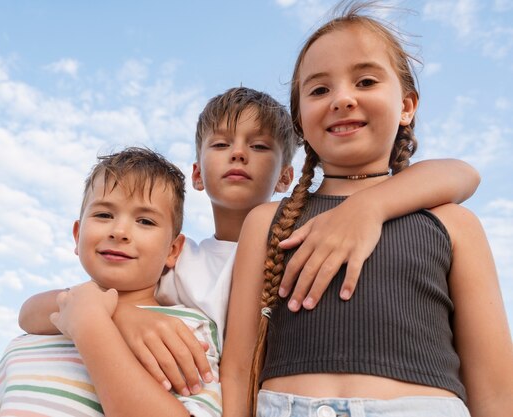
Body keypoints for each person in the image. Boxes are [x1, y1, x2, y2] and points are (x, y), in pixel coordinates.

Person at [17, 86, 480, 398]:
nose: (238, 153)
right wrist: (122, 313)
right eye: (220, 145)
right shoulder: (179, 261)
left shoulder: (312, 239)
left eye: (258, 146)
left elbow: (459, 174)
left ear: (284, 175)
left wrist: (372, 205)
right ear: (197, 174)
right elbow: (38, 311)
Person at [220, 3, 513, 417]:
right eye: (319, 90)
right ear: (300, 122)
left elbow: (497, 393)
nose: (342, 98)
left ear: (408, 105)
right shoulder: (265, 222)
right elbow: (237, 371)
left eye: (366, 80)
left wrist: (370, 207)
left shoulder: (453, 223)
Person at [0, 147, 222, 417]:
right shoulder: (29, 339)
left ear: (172, 250)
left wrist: (91, 324)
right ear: (77, 235)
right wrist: (106, 314)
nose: (119, 232)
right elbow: (29, 312)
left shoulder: (185, 330)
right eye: (104, 215)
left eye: (145, 221)